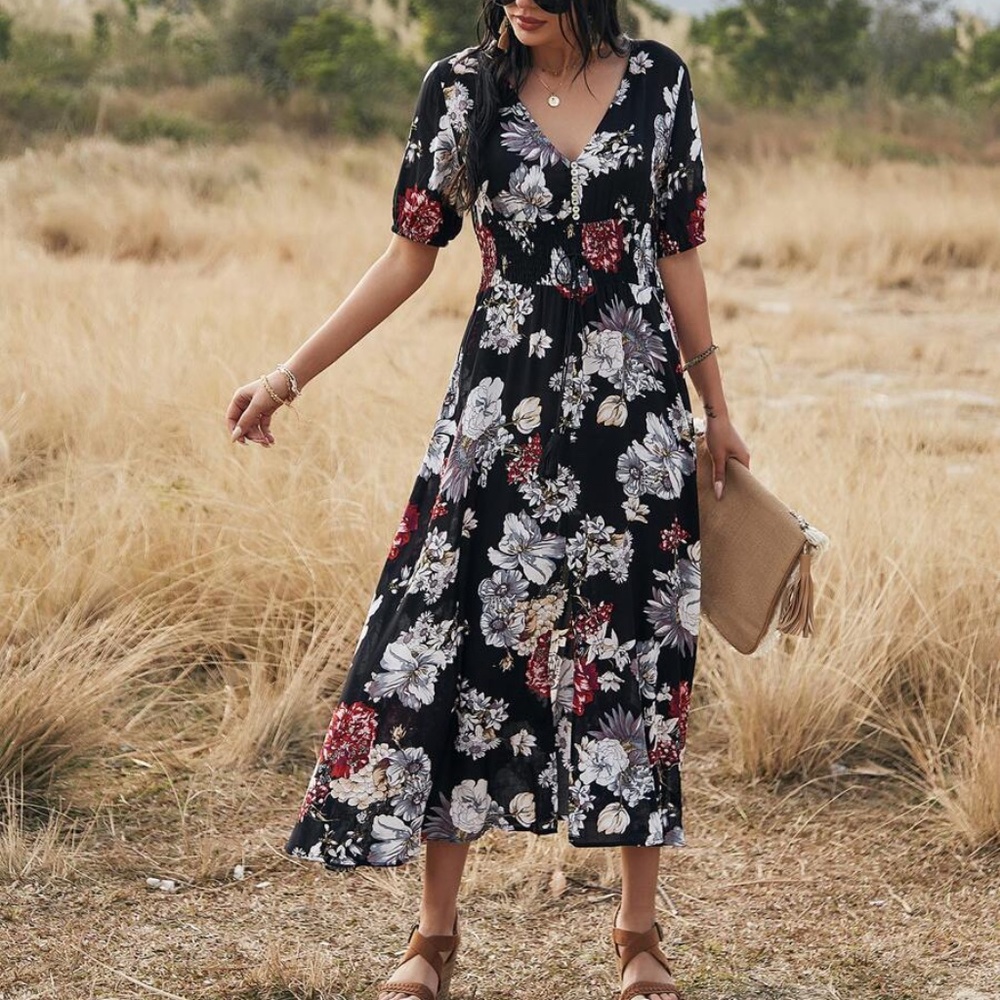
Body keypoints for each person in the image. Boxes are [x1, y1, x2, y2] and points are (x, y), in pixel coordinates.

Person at [226, 2, 749, 998]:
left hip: (630, 419)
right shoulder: (461, 89)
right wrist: (287, 377)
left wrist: (714, 407)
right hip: (495, 414)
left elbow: (679, 248)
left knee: (632, 650)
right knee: (457, 645)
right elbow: (407, 253)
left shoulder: (660, 82)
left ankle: (637, 937)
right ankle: (432, 940)